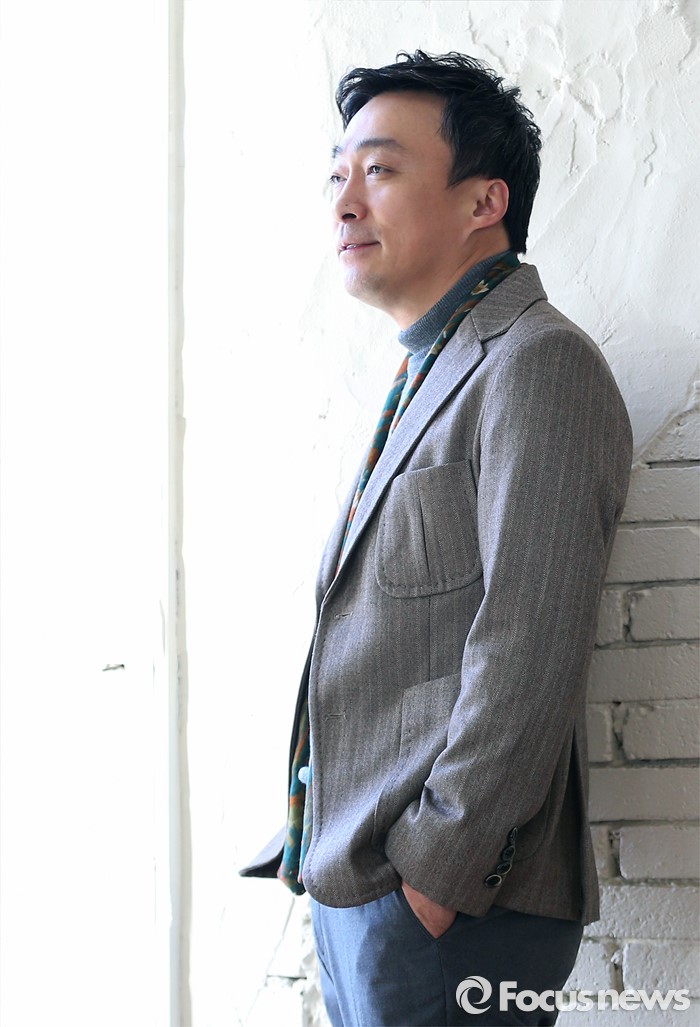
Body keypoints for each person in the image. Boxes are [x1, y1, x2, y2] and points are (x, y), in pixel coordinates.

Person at [241, 50, 632, 1026]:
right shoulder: (431, 372)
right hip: (364, 886)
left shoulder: (537, 364)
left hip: (448, 907)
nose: (344, 202)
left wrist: (436, 875)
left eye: (379, 169)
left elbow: (528, 648)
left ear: (483, 201)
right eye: (338, 175)